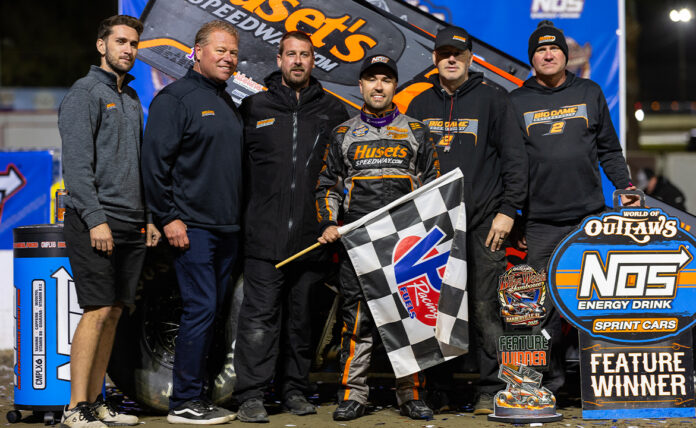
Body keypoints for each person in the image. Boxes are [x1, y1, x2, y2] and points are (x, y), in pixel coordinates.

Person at [403, 25, 528, 415]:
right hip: (434, 226)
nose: (451, 58)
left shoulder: (494, 99)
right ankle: (441, 388)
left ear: (471, 58)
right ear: (435, 59)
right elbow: (410, 168)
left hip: (484, 223)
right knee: (437, 308)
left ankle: (494, 387)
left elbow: (515, 161)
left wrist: (509, 211)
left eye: (458, 52)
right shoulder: (419, 105)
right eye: (444, 53)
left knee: (486, 308)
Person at [509, 20, 637, 394]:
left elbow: (610, 150)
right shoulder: (515, 102)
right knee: (534, 307)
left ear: (566, 55)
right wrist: (512, 210)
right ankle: (536, 383)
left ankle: (595, 383)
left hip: (590, 219)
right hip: (541, 223)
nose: (547, 55)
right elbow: (512, 166)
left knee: (593, 301)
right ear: (532, 58)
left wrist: (625, 186)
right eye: (539, 50)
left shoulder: (591, 92)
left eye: (554, 49)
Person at [232, 31, 349, 423]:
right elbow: (238, 175)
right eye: (291, 54)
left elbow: (338, 177)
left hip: (310, 239)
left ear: (313, 62)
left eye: (305, 55)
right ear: (279, 59)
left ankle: (295, 390)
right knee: (258, 323)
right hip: (263, 240)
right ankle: (251, 395)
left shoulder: (333, 112)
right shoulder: (252, 107)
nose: (298, 61)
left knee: (300, 322)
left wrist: (330, 224)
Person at [316, 54, 440, 421]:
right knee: (356, 322)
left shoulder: (416, 131)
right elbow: (328, 185)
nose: (379, 86)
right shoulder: (343, 133)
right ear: (361, 86)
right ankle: (354, 395)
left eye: (386, 79)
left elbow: (435, 187)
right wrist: (328, 222)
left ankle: (410, 394)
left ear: (394, 86)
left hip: (406, 244)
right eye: (372, 79)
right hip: (359, 245)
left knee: (410, 319)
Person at [59, 15, 160, 428]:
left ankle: (97, 401)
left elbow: (140, 166)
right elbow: (78, 168)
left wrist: (150, 217)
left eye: (134, 43)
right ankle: (73, 408)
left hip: (132, 222)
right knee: (97, 310)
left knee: (116, 312)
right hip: (94, 222)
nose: (128, 50)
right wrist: (97, 220)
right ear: (101, 46)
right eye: (120, 42)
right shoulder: (84, 93)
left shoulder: (133, 99)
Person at [141, 20, 243, 424]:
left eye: (233, 52)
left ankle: (196, 395)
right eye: (220, 50)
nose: (228, 58)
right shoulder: (175, 99)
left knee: (213, 311)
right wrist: (168, 217)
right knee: (200, 308)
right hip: (193, 229)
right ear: (196, 52)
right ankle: (183, 402)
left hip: (227, 230)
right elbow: (154, 165)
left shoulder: (227, 102)